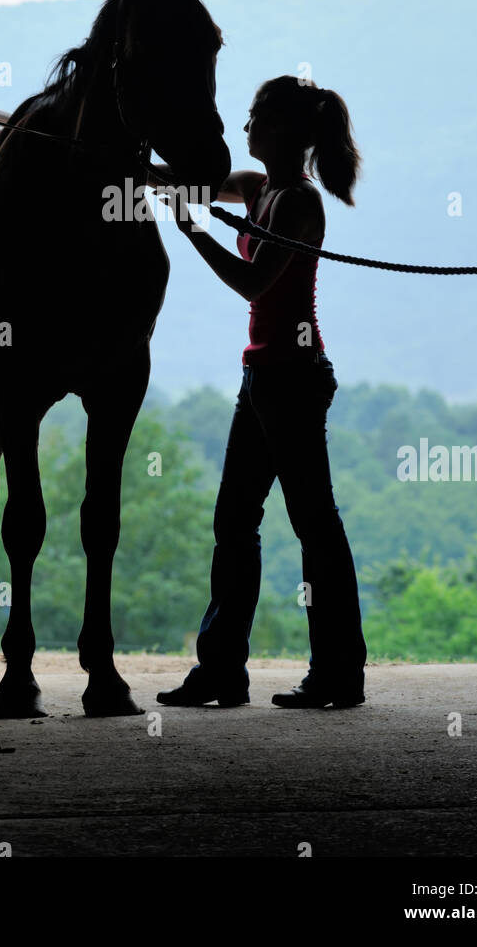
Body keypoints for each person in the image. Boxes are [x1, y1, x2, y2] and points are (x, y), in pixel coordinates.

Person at [151, 75, 367, 709]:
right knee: (237, 521)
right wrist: (140, 165)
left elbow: (254, 285)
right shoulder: (256, 189)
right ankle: (222, 671)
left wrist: (193, 234)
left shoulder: (299, 204)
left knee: (313, 525)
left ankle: (337, 672)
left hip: (293, 379)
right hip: (264, 375)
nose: (245, 132)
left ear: (282, 131)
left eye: (254, 120)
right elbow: (184, 183)